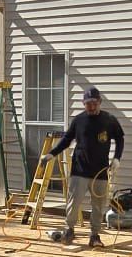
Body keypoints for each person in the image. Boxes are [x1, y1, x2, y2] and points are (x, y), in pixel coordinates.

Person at [46, 84, 124, 247]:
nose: (91, 106)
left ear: (100, 102)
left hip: (100, 171)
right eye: (88, 103)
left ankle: (95, 235)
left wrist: (117, 158)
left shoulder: (109, 120)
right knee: (74, 202)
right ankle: (69, 230)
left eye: (94, 103)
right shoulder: (79, 120)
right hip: (79, 170)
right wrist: (52, 153)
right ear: (84, 103)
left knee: (98, 205)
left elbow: (120, 138)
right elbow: (67, 140)